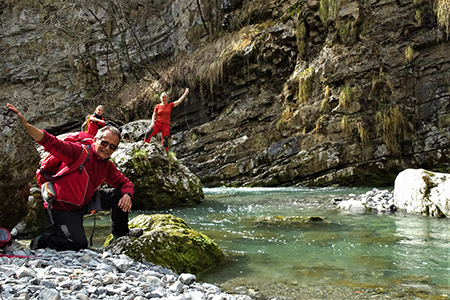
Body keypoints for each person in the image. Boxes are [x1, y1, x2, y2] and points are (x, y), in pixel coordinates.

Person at [7, 103, 141, 251]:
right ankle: (42, 240)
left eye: (112, 146)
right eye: (104, 143)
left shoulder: (107, 165)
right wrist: (26, 125)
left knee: (120, 194)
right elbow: (51, 142)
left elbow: (125, 183)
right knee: (77, 244)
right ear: (95, 139)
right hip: (64, 209)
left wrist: (127, 194)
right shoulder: (78, 152)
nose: (107, 148)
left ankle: (120, 234)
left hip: (85, 202)